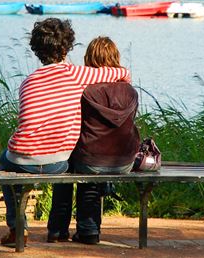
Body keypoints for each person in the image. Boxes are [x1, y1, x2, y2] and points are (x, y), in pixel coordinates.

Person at [0, 19, 131, 246]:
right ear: (67, 47)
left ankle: (17, 226)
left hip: (22, 158)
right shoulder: (77, 74)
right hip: (57, 161)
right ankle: (71, 228)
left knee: (4, 161)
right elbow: (123, 74)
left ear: (37, 50)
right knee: (72, 161)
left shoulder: (27, 82)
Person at [47, 36, 140, 245]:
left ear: (89, 58)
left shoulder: (85, 91)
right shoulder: (131, 92)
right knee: (90, 166)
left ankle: (58, 229)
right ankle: (89, 231)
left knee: (68, 164)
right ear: (116, 57)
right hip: (124, 161)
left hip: (91, 161)